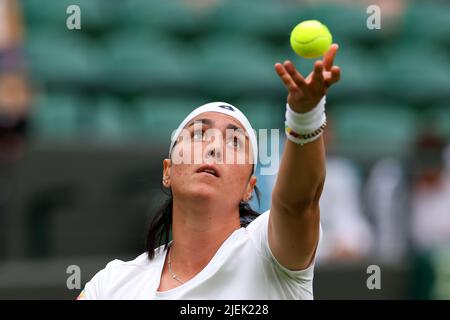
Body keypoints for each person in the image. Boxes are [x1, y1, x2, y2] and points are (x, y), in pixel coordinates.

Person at [77, 44, 341, 300]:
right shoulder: (111, 285)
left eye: (235, 142)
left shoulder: (269, 252)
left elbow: (298, 204)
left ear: (249, 187)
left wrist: (305, 117)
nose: (215, 147)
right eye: (199, 134)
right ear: (167, 171)